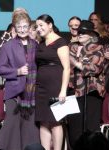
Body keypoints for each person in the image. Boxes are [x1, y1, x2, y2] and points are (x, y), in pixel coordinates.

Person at [0, 12, 40, 150]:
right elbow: (0, 69)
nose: (23, 29)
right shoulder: (8, 46)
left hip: (31, 92)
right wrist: (17, 72)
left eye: (25, 26)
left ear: (30, 27)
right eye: (19, 26)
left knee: (29, 127)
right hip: (14, 92)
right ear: (15, 28)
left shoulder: (36, 45)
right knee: (11, 125)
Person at [67, 20, 106, 149]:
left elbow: (95, 68)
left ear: (91, 34)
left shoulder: (98, 48)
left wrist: (77, 63)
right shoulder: (71, 47)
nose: (81, 33)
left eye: (84, 31)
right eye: (80, 31)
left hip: (91, 90)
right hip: (72, 90)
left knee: (90, 127)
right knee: (74, 128)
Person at [35, 14, 70, 150]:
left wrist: (63, 90)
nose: (38, 28)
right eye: (37, 26)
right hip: (41, 86)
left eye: (41, 25)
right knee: (43, 121)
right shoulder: (41, 43)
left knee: (56, 121)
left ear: (50, 25)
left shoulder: (61, 42)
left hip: (55, 86)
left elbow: (66, 68)